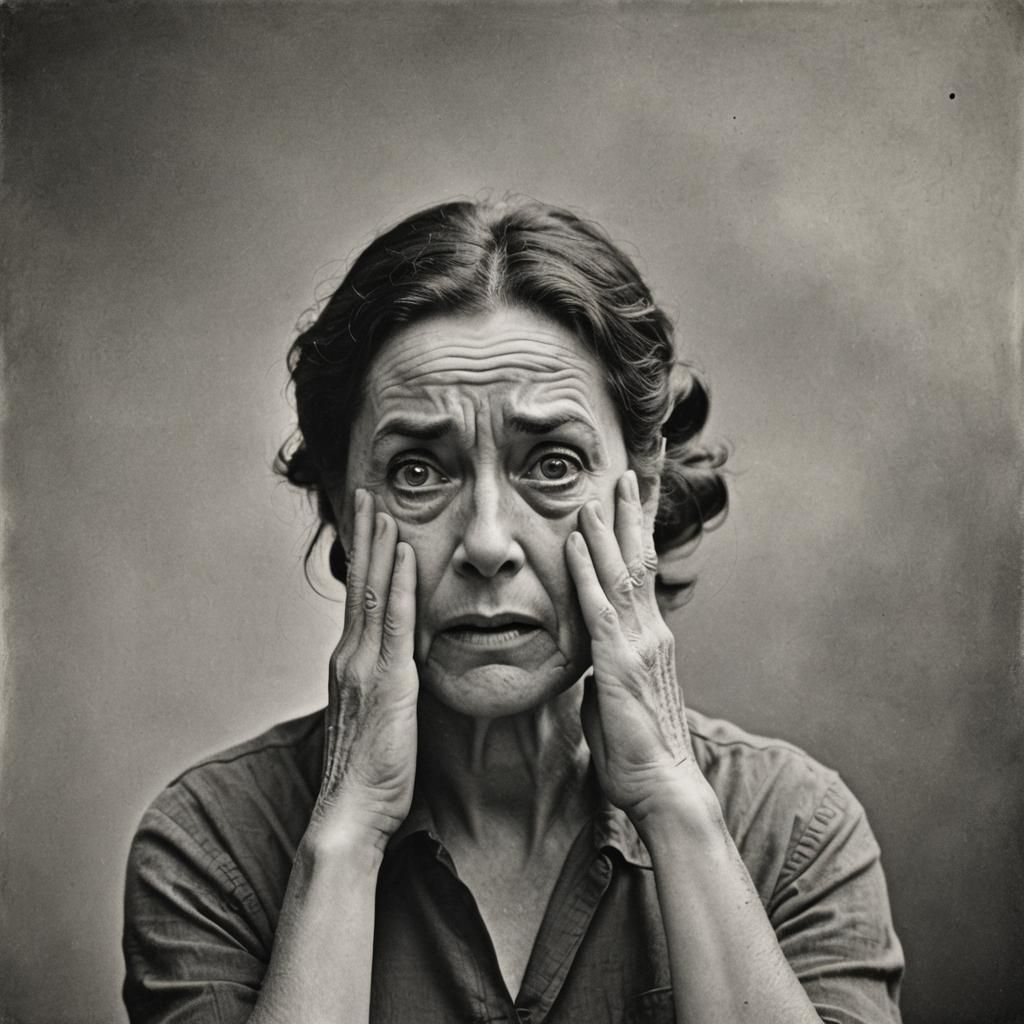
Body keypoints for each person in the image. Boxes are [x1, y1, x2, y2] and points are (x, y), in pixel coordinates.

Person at [122, 198, 904, 1024]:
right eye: (418, 471)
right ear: (341, 506)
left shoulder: (794, 829)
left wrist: (673, 805)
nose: (488, 542)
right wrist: (349, 832)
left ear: (641, 489)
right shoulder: (212, 846)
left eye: (554, 464)